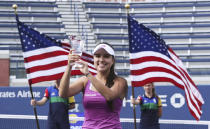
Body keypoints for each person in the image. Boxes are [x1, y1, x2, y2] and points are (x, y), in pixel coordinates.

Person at [59, 42, 128, 129]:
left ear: (112, 60)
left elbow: (109, 96)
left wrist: (88, 74)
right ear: (93, 59)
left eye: (106, 56)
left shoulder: (120, 82)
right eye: (98, 56)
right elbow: (62, 93)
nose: (101, 59)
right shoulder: (85, 81)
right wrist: (69, 66)